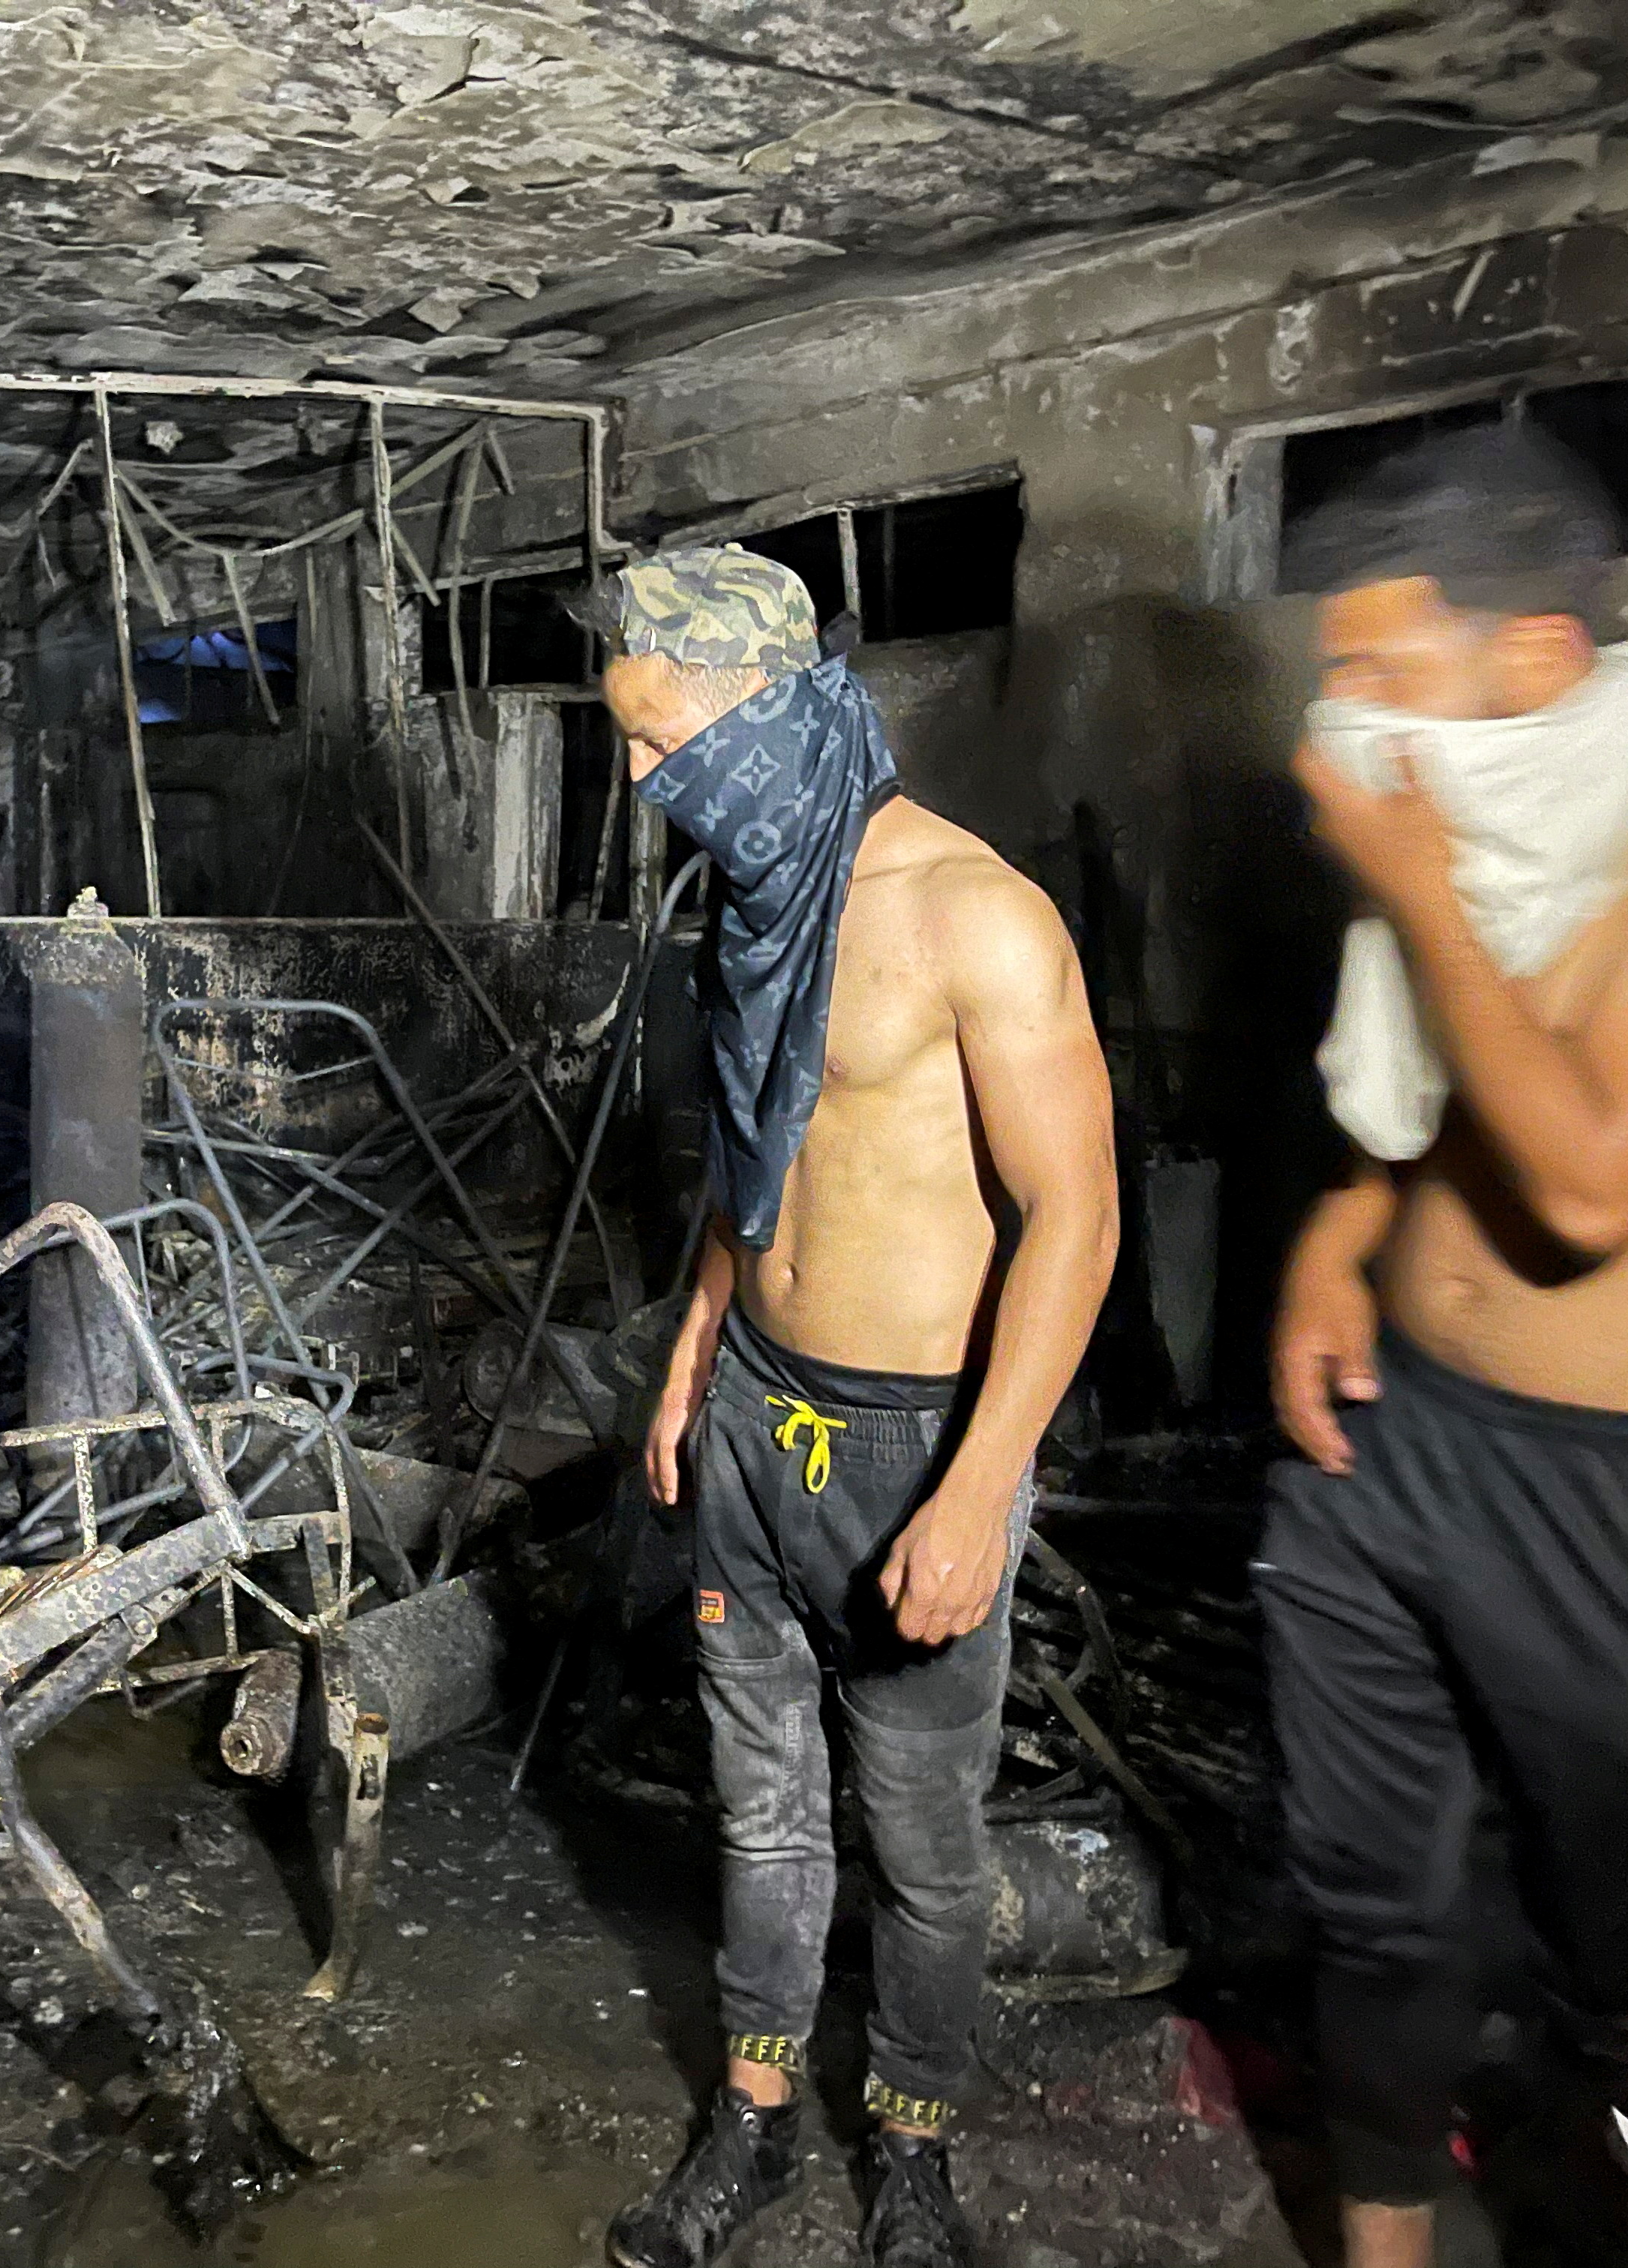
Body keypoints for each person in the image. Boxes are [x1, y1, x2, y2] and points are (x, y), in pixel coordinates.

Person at [1261, 424, 1628, 2266]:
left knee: (1616, 1935)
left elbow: (1594, 1181)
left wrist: (1411, 877)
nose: (1344, 718)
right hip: (1395, 1436)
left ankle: (1617, 2158)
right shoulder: (1521, 804)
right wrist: (1342, 1238)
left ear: (1530, 658)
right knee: (1369, 1897)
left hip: (1614, 1483)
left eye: (1382, 667)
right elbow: (1454, 1086)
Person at [596, 547, 1119, 2268]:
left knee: (919, 1834)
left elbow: (1079, 1221)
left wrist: (979, 1493)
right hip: (757, 1414)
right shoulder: (763, 894)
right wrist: (694, 1351)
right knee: (756, 1812)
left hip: (913, 1448)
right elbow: (764, 1158)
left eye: (662, 743)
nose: (643, 781)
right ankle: (749, 2120)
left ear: (767, 715)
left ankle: (911, 2139)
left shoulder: (979, 917)